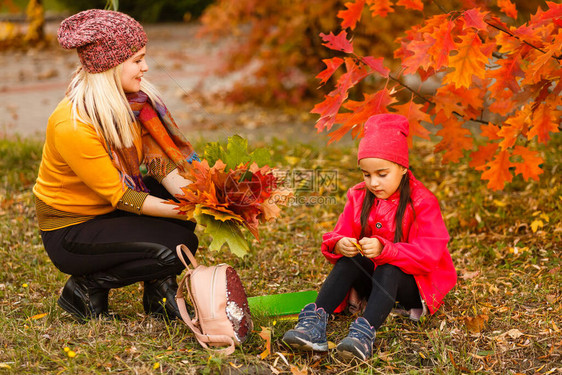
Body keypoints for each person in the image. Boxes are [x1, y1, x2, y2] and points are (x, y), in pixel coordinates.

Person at [32, 9, 200, 322]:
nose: (145, 67)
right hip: (72, 229)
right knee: (177, 246)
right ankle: (85, 289)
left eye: (144, 58)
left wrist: (202, 198)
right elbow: (122, 196)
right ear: (110, 65)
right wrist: (186, 209)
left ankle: (160, 295)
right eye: (137, 60)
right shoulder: (73, 123)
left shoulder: (136, 103)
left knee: (181, 213)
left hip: (107, 211)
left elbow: (161, 166)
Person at [282, 114, 457, 361]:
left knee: (390, 267)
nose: (373, 182)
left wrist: (387, 250)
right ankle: (314, 323)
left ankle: (364, 334)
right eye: (366, 174)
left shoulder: (422, 202)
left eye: (382, 174)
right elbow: (340, 231)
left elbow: (429, 256)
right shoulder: (359, 196)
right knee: (349, 261)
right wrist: (339, 243)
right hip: (374, 280)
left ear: (403, 169)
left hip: (412, 285)